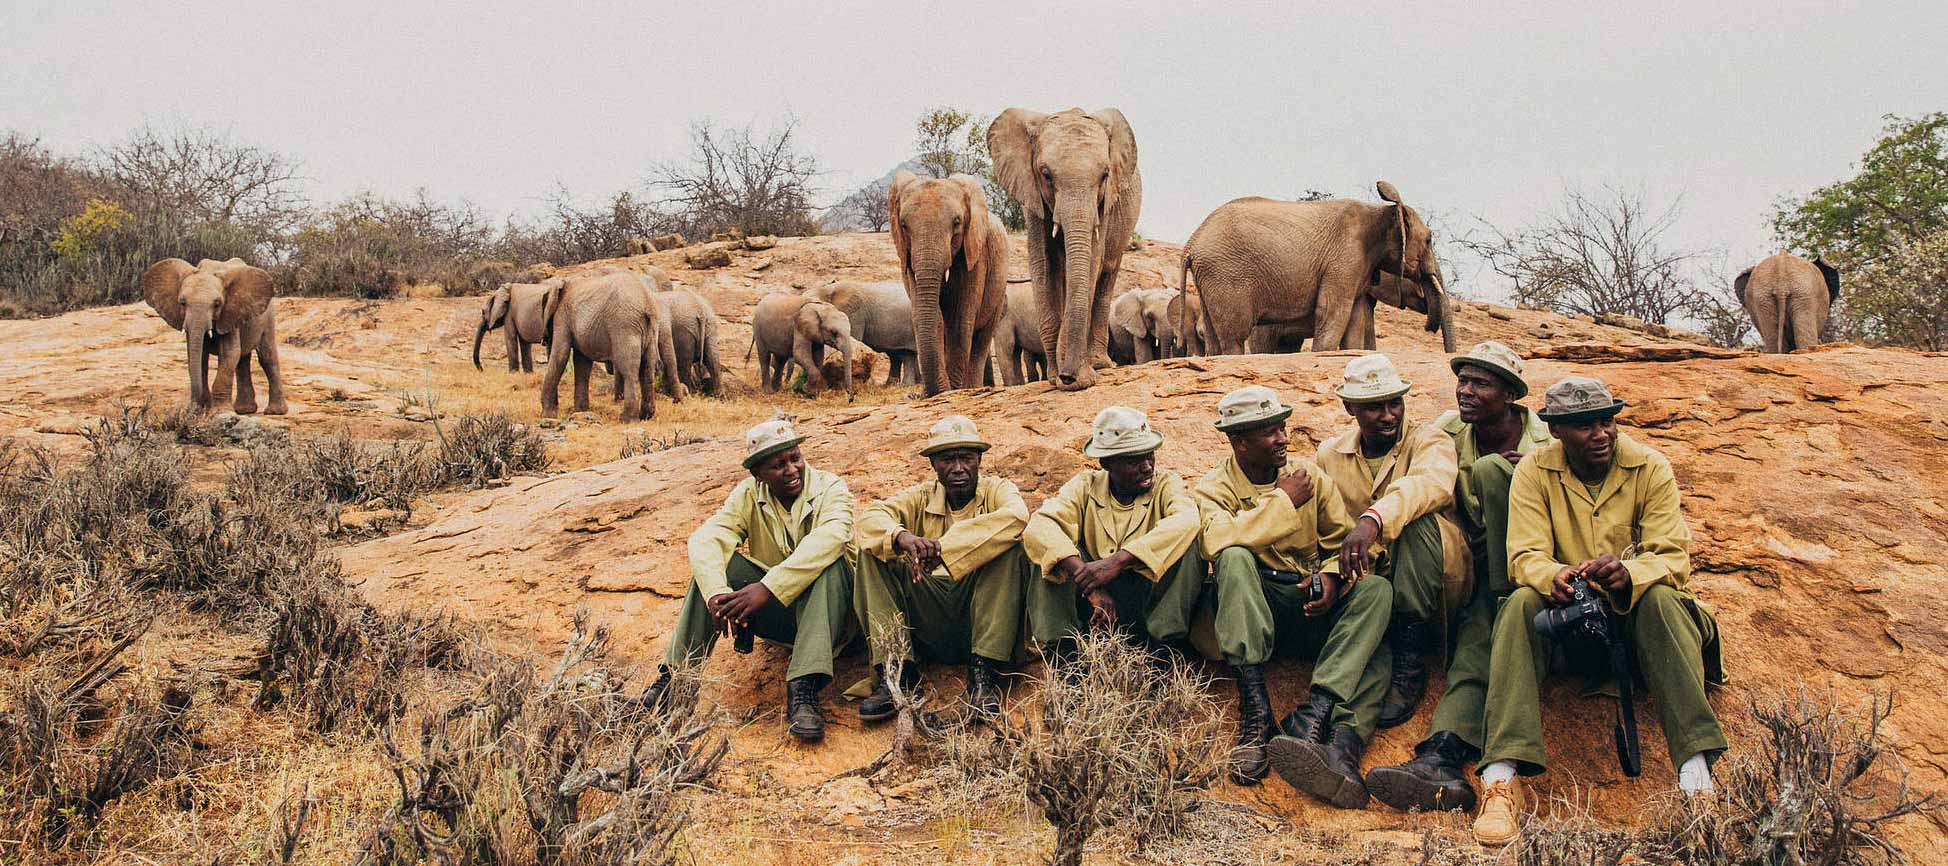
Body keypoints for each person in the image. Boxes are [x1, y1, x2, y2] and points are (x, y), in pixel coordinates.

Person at [1471, 376, 1727, 846]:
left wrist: (1630, 573)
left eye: (1607, 421)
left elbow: (1672, 556)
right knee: (1520, 604)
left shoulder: (1650, 467)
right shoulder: (1534, 471)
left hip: (1641, 624)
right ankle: (1501, 780)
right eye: (1585, 426)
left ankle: (1697, 780)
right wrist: (1555, 576)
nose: (1602, 434)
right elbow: (1523, 555)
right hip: (1575, 621)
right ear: (1556, 431)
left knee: (1662, 598)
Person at [1367, 341, 1550, 814]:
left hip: (1531, 576)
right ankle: (1436, 748)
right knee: (1427, 528)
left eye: (1480, 384)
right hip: (1467, 572)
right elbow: (1426, 488)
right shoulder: (1446, 434)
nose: (1465, 392)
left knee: (1482, 636)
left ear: (1510, 395)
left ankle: (1444, 755)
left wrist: (1525, 479)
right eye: (1462, 381)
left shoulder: (1548, 445)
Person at [1191, 386, 1393, 801]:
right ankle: (1256, 713)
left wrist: (1334, 575)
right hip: (1255, 610)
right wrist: (1283, 501)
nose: (1284, 438)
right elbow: (1213, 540)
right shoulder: (1214, 487)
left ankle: (1314, 713)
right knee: (1233, 558)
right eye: (1270, 432)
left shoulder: (1310, 476)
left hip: (1309, 603)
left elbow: (1342, 538)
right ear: (1239, 441)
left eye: (1282, 427)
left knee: (1375, 590)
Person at [645, 418, 856, 742]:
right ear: (757, 474)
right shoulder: (747, 494)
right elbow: (707, 538)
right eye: (778, 465)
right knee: (716, 566)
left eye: (795, 458)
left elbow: (832, 536)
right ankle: (673, 681)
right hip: (785, 617)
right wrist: (716, 593)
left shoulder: (830, 487)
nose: (791, 470)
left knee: (830, 563)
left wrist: (768, 586)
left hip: (834, 621)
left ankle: (803, 687)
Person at [1314, 354, 1466, 730]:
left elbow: (1429, 485)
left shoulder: (1430, 439)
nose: (1388, 415)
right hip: (1371, 583)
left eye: (1394, 403)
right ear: (1350, 407)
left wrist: (1373, 520)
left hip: (1436, 577)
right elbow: (1323, 523)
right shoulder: (1329, 455)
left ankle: (1410, 657)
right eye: (1374, 407)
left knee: (1417, 521)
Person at [854, 416, 1029, 718]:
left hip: (982, 619)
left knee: (1010, 548)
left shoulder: (998, 490)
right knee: (873, 552)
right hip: (928, 616)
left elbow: (1017, 516)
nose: (959, 468)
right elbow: (869, 519)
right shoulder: (919, 497)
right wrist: (902, 537)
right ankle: (897, 673)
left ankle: (983, 674)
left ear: (980, 460)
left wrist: (945, 548)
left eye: (966, 458)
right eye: (948, 459)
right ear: (933, 464)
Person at [1021, 406, 1203, 660]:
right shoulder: (1085, 486)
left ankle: (1164, 646)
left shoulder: (1167, 484)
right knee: (1045, 549)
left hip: (1149, 598)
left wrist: (1119, 561)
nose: (1147, 467)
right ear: (1106, 462)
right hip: (1094, 603)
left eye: (1150, 456)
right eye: (1133, 461)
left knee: (1188, 542)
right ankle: (1064, 653)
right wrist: (1088, 582)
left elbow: (1187, 518)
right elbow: (1040, 526)